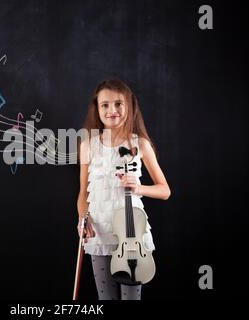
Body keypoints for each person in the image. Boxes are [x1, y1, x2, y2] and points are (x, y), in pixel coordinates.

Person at [77, 79, 171, 300]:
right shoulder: (87, 145)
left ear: (129, 106)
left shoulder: (141, 145)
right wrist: (83, 218)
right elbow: (83, 193)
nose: (113, 110)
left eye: (119, 104)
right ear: (97, 109)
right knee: (105, 298)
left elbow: (165, 190)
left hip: (132, 236)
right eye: (105, 105)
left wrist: (138, 188)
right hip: (99, 232)